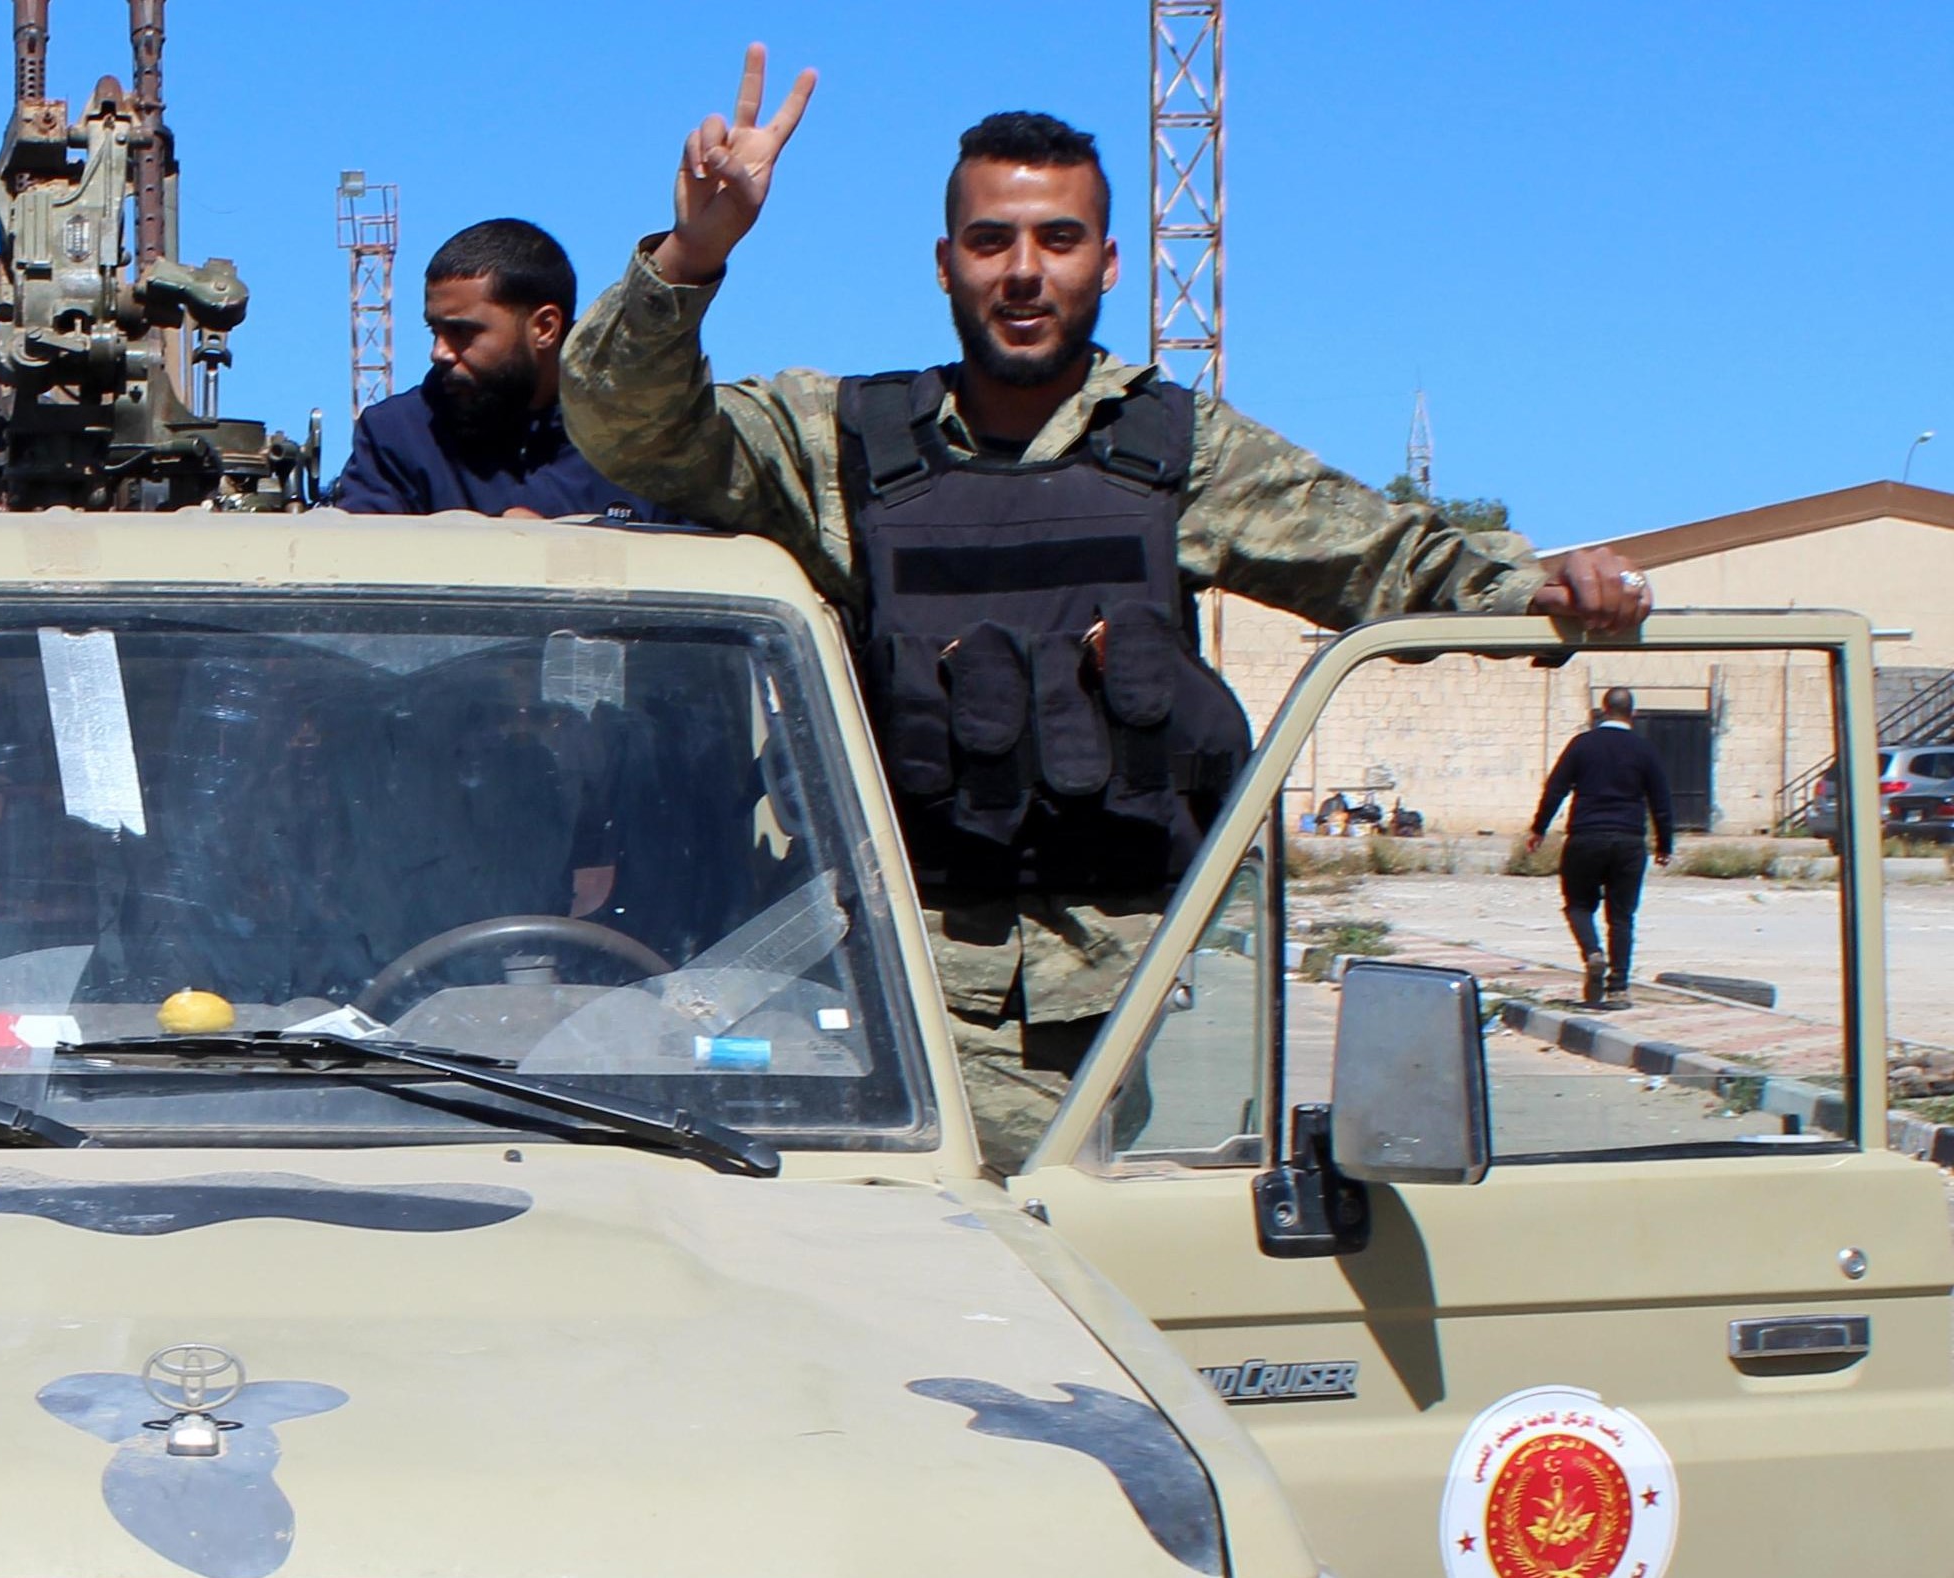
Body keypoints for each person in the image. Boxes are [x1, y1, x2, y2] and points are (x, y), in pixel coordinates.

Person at [560, 48, 1655, 1171]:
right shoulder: (838, 444)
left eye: (1057, 241)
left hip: (1109, 1002)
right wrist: (695, 252)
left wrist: (1540, 589)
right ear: (945, 264)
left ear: (1110, 263)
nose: (1023, 272)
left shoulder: (1178, 452)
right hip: (882, 981)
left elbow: (1379, 558)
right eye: (991, 242)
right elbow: (626, 429)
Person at [327, 219, 673, 520]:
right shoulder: (397, 437)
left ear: (544, 328)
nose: (439, 353)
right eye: (435, 331)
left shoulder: (645, 433)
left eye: (463, 332)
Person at [1525, 688, 1675, 1008]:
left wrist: (1539, 828)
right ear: (1631, 714)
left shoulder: (1582, 744)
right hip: (1630, 841)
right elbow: (1661, 801)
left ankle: (1592, 952)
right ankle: (1618, 988)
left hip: (1586, 837)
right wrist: (1664, 845)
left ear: (1602, 710)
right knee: (1621, 916)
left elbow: (1555, 790)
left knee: (1578, 905)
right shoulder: (1644, 750)